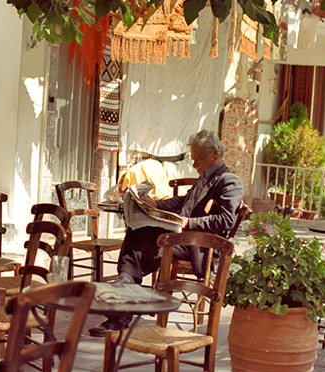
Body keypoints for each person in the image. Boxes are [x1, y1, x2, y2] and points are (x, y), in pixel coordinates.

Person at [89, 129, 244, 336]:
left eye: (198, 159)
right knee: (137, 231)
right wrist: (155, 204)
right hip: (183, 236)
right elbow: (183, 201)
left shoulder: (229, 181)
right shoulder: (205, 177)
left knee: (142, 247)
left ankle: (122, 300)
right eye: (193, 160)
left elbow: (226, 220)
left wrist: (189, 223)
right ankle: (124, 288)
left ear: (214, 154)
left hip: (199, 245)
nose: (195, 165)